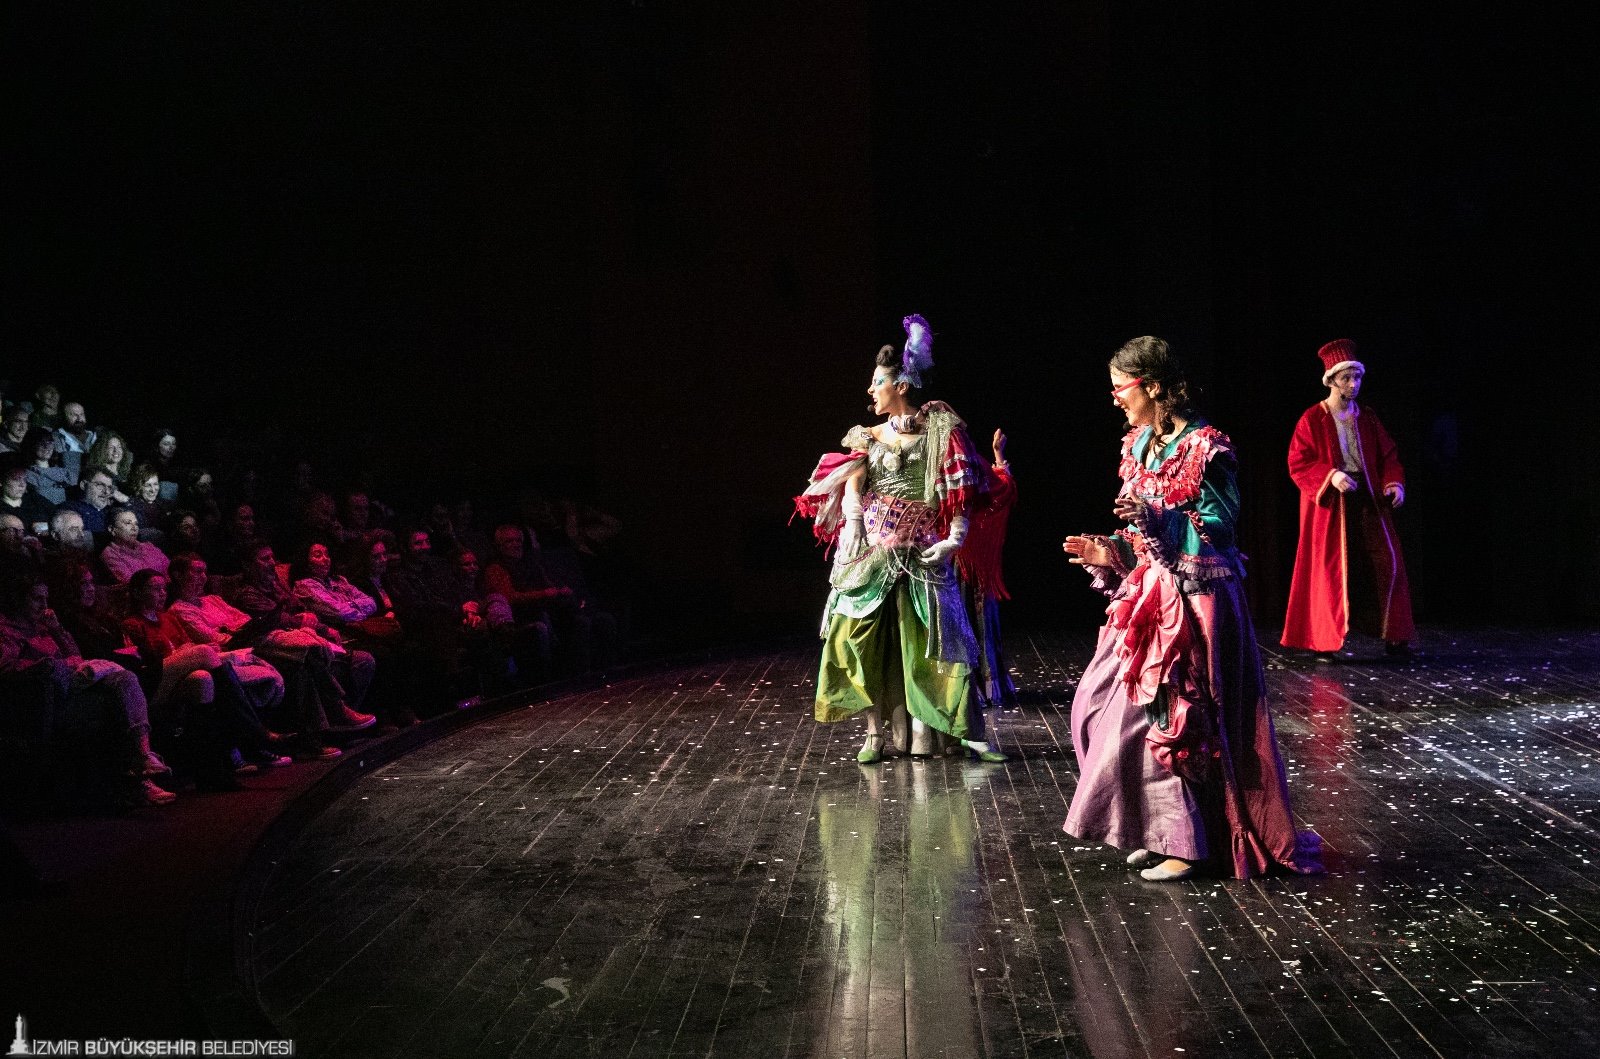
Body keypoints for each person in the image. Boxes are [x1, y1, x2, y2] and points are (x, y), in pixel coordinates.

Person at [1061, 336, 1321, 881]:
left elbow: (1220, 528)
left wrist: (1159, 518)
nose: (1115, 398)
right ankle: (1153, 830)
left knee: (1179, 718)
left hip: (1199, 601)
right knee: (1095, 704)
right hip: (1150, 597)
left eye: (1122, 387)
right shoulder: (1138, 445)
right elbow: (1141, 535)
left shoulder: (1207, 448)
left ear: (1154, 387)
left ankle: (1188, 842)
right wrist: (1110, 550)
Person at [797, 314, 1003, 764]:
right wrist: (854, 521)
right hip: (873, 554)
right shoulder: (868, 436)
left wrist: (955, 537)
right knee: (856, 639)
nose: (871, 390)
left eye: (879, 382)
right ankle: (875, 734)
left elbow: (960, 490)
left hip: (922, 554)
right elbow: (853, 480)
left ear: (902, 386)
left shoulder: (940, 432)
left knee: (943, 643)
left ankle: (967, 731)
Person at [1281, 339, 1416, 659]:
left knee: (1387, 561)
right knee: (1330, 569)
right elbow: (1298, 461)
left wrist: (1394, 483)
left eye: (1357, 377)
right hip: (1332, 503)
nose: (1354, 384)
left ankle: (1395, 636)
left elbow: (1388, 455)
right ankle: (1325, 641)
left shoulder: (1366, 417)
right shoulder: (1313, 418)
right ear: (1331, 380)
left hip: (1367, 497)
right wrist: (1330, 476)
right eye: (1346, 378)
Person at [965, 428, 1018, 709]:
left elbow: (1003, 490)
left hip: (968, 561)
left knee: (974, 620)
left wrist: (998, 456)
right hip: (941, 556)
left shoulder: (969, 461)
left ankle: (977, 688)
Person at [98, 508, 171, 583]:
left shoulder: (148, 546)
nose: (134, 528)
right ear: (111, 529)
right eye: (128, 523)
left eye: (136, 524)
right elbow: (132, 583)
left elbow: (171, 569)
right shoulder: (110, 554)